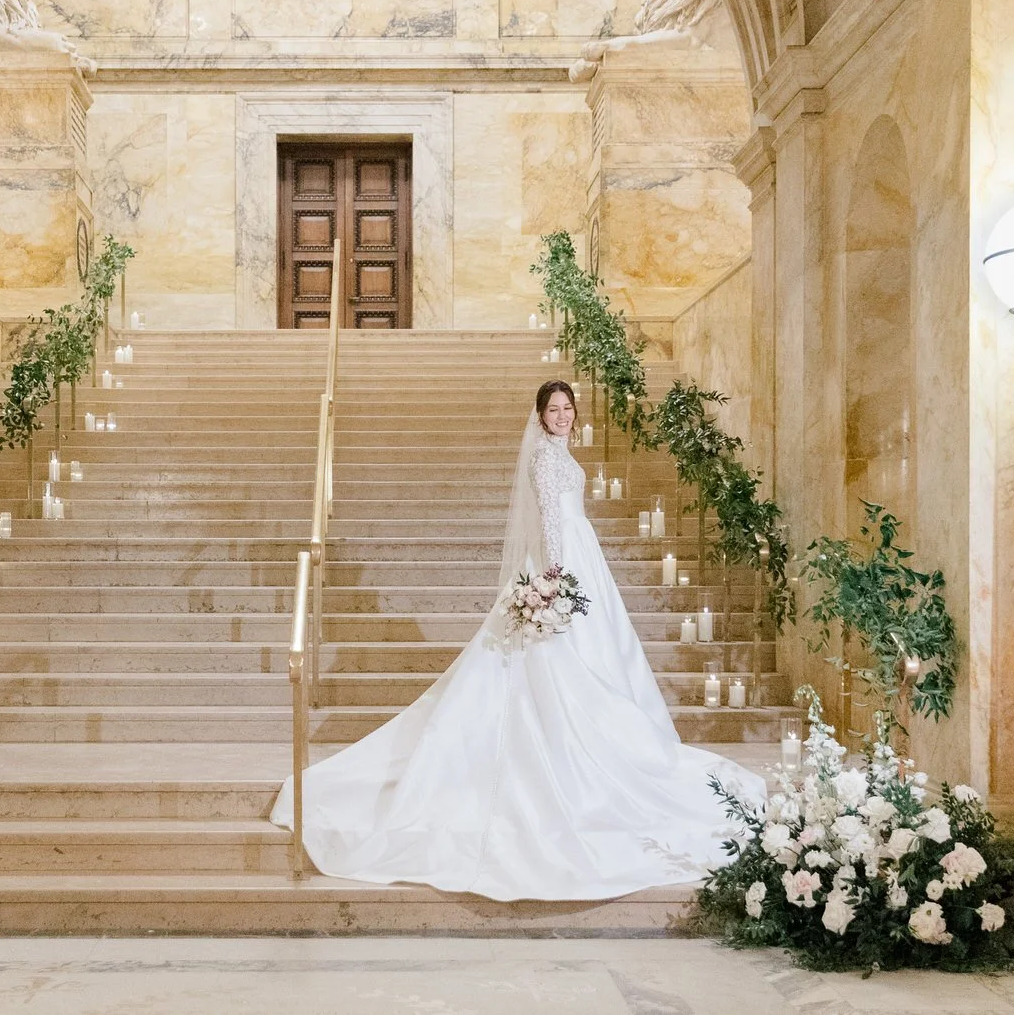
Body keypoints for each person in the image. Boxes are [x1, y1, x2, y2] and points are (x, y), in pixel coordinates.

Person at [271, 379, 764, 900]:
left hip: (579, 555)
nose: (562, 416)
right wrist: (554, 576)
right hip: (563, 560)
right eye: (553, 410)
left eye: (568, 408)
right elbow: (551, 516)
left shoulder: (558, 451)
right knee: (554, 660)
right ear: (540, 415)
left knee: (596, 656)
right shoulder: (547, 460)